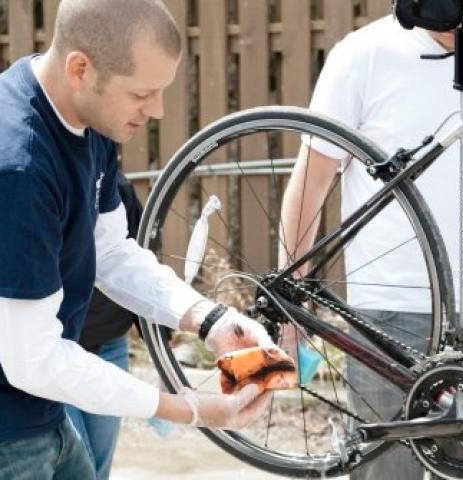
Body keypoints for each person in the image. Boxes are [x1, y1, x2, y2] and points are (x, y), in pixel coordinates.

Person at [0, 1, 275, 478]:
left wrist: (208, 319)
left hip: (43, 412)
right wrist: (185, 408)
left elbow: (111, 252)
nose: (158, 110)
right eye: (142, 94)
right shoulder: (20, 166)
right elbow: (32, 359)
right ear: (81, 68)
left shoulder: (89, 117)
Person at [279, 15, 458, 480]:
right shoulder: (364, 54)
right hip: (390, 315)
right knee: (386, 473)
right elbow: (311, 182)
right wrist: (290, 303)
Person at [65, 171, 143, 480]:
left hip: (109, 346)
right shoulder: (35, 179)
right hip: (59, 350)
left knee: (98, 467)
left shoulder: (116, 187)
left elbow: (139, 264)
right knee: (77, 465)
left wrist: (161, 348)